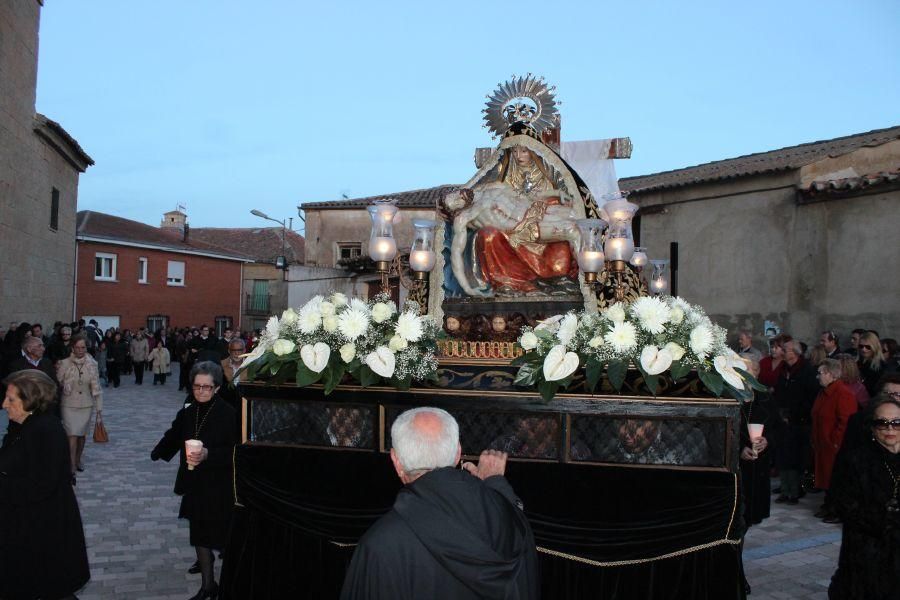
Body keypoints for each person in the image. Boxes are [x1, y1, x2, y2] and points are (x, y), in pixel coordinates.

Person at [340, 407, 539, 600]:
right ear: (458, 453)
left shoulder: (380, 544)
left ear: (396, 462)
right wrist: (495, 484)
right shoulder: (506, 521)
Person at [0, 370, 90, 599]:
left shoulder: (46, 430)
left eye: (11, 399)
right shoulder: (21, 425)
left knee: (51, 588)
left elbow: (41, 484)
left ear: (31, 400)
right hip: (25, 524)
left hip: (44, 529)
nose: (4, 405)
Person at [151, 361, 237, 600]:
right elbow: (175, 433)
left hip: (220, 484)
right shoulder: (188, 410)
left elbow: (235, 451)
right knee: (198, 534)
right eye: (197, 386)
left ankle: (230, 585)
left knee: (221, 535)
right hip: (194, 482)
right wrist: (158, 451)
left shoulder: (228, 414)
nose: (200, 391)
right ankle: (208, 585)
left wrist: (210, 454)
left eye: (206, 387)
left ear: (217, 388)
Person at [827, 394, 900, 599]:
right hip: (867, 556)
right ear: (872, 427)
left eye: (896, 422)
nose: (889, 429)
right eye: (882, 423)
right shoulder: (856, 460)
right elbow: (843, 505)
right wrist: (887, 522)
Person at [737, 359, 772, 595]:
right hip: (735, 473)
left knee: (746, 524)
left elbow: (780, 430)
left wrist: (768, 441)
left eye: (746, 368)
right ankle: (737, 575)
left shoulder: (766, 401)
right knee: (735, 527)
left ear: (757, 373)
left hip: (756, 473)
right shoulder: (727, 398)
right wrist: (738, 449)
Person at [811, 358, 857, 522]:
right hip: (822, 444)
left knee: (837, 479)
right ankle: (828, 506)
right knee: (827, 478)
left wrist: (835, 441)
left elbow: (845, 422)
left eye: (821, 373)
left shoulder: (843, 394)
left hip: (834, 447)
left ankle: (838, 510)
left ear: (831, 374)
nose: (818, 376)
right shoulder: (823, 392)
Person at [773, 339, 819, 503]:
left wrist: (794, 413)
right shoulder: (784, 369)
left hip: (800, 421)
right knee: (784, 455)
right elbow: (779, 391)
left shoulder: (807, 371)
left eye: (785, 350)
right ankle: (786, 489)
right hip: (784, 420)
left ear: (795, 353)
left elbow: (810, 397)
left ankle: (796, 490)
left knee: (797, 457)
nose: (781, 352)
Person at [56, 335, 103, 482]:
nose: (80, 350)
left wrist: (99, 410)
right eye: (77, 347)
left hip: (86, 404)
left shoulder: (92, 364)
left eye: (83, 347)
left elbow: (97, 387)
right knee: (72, 435)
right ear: (72, 348)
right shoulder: (64, 363)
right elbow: (58, 382)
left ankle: (77, 459)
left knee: (82, 436)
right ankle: (71, 467)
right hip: (69, 404)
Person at [857, 331, 885, 396]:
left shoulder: (881, 366)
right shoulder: (858, 362)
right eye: (861, 346)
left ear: (874, 347)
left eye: (868, 347)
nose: (863, 349)